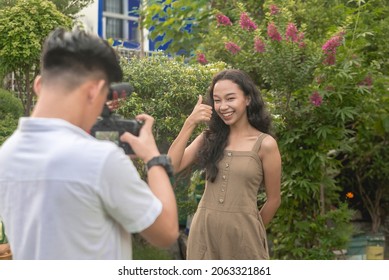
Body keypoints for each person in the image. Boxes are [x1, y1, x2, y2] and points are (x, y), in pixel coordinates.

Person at [0, 28, 178, 259]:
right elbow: (166, 233)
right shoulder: (101, 161)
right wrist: (153, 158)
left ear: (38, 84)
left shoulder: (6, 154)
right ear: (94, 91)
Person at [168, 69, 281, 260]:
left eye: (230, 98)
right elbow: (171, 166)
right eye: (217, 100)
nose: (223, 106)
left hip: (244, 238)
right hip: (204, 235)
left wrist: (251, 229)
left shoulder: (265, 144)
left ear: (247, 99)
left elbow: (274, 200)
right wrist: (190, 123)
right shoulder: (209, 138)